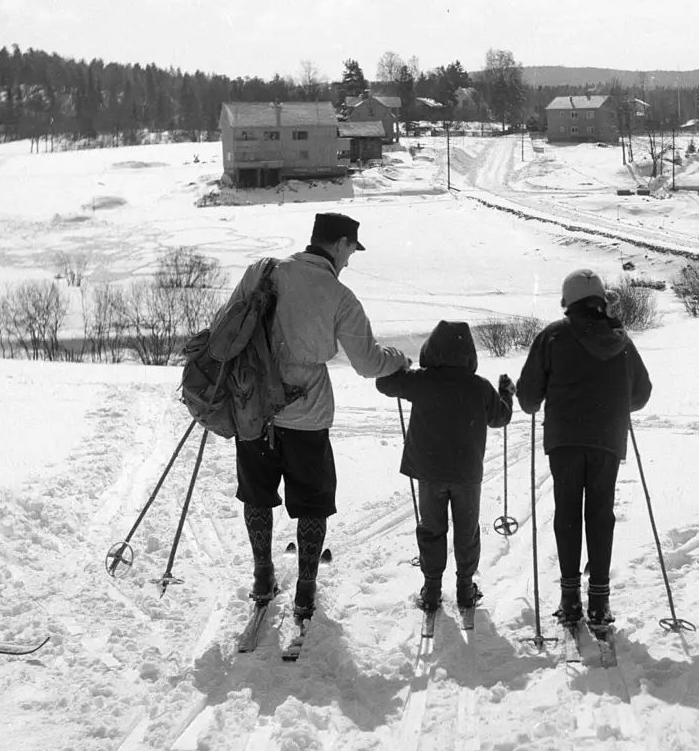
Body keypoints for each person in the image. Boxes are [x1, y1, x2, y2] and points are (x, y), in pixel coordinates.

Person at [235, 212, 409, 623]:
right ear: (338, 244)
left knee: (257, 495)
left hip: (254, 409)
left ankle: (263, 577)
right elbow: (367, 364)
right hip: (306, 416)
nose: (351, 259)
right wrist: (397, 359)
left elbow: (231, 328)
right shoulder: (339, 296)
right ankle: (305, 590)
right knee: (312, 503)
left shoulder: (264, 272)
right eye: (351, 249)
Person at [515, 270, 652, 627]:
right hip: (608, 438)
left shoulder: (553, 336)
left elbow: (529, 398)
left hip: (564, 439)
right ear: (600, 301)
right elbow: (641, 393)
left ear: (569, 301)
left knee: (568, 513)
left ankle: (570, 598)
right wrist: (614, 403)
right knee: (601, 513)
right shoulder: (620, 340)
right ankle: (599, 601)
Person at [375, 321, 514, 611]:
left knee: (432, 529)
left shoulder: (421, 380)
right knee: (466, 531)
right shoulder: (479, 386)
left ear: (432, 350)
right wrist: (506, 393)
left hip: (429, 471)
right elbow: (499, 418)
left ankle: (431, 590)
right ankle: (465, 588)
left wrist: (400, 363)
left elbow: (384, 383)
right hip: (466, 473)